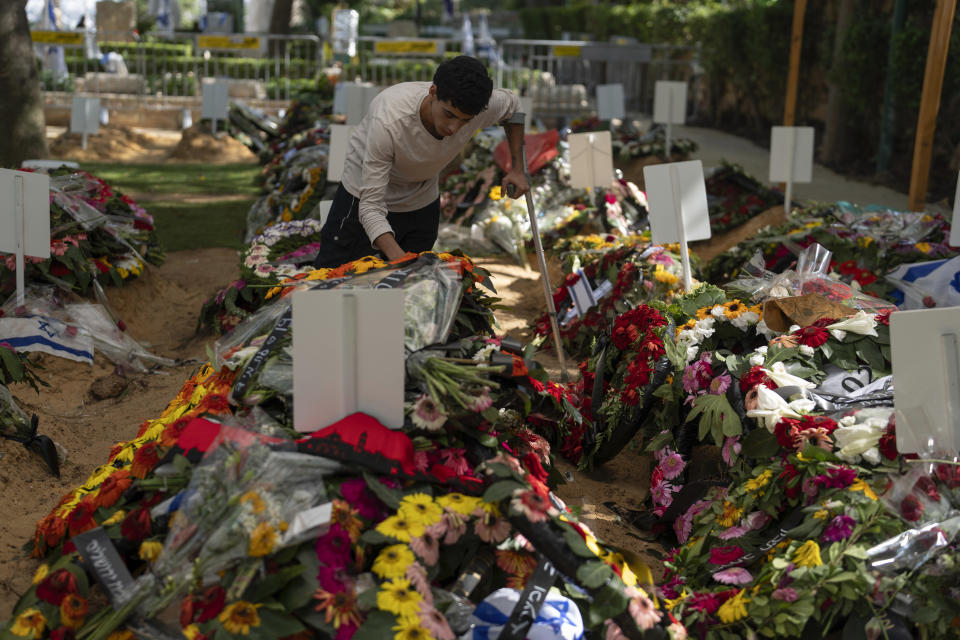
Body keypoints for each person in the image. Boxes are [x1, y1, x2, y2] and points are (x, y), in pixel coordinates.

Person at [314, 56, 529, 268]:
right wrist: (399, 259)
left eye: (466, 121)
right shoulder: (390, 120)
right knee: (335, 281)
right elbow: (370, 207)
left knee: (411, 293)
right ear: (433, 92)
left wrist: (518, 169)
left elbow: (514, 107)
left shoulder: (479, 106)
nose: (454, 128)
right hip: (362, 196)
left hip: (421, 199)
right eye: (449, 115)